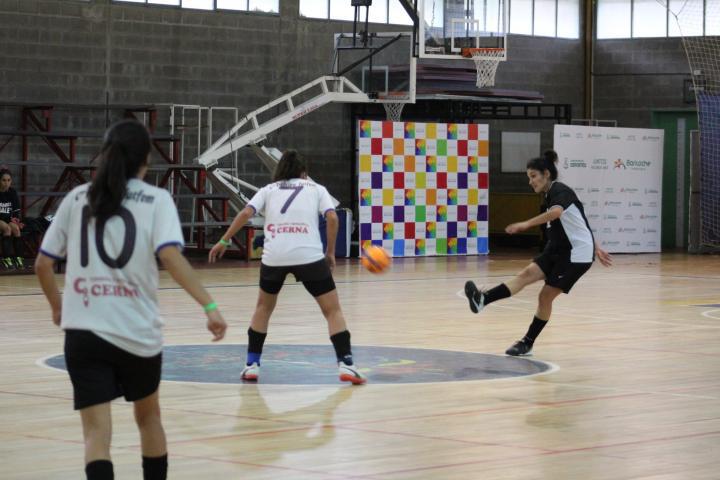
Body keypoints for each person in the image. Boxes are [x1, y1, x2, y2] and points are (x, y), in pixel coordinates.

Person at [34, 119, 228, 480]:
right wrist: (210, 306)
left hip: (84, 332)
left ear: (106, 154)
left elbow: (43, 264)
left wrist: (58, 306)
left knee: (96, 434)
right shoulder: (156, 199)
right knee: (149, 418)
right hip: (137, 334)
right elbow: (170, 257)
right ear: (146, 160)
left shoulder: (77, 198)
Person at [208, 149, 366, 385]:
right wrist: (330, 252)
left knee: (263, 308)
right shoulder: (316, 188)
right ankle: (346, 364)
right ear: (304, 172)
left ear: (279, 171)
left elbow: (245, 213)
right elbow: (333, 218)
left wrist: (224, 240)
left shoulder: (267, 190)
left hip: (275, 257)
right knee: (332, 311)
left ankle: (252, 365)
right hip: (309, 256)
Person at [464, 150, 612, 356]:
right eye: (529, 177)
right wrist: (596, 245)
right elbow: (580, 221)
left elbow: (557, 213)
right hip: (557, 248)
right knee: (524, 275)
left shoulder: (560, 190)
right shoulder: (550, 194)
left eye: (533, 176)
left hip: (576, 255)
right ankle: (482, 300)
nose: (530, 182)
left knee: (545, 297)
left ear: (546, 174)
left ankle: (527, 342)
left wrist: (526, 223)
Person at [0, 167, 25, 270]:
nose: (7, 183)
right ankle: (6, 259)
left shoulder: (12, 192)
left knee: (16, 229)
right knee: (7, 229)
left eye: (9, 180)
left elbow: (15, 211)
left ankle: (18, 258)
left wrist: (16, 220)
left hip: (7, 219)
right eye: (4, 180)